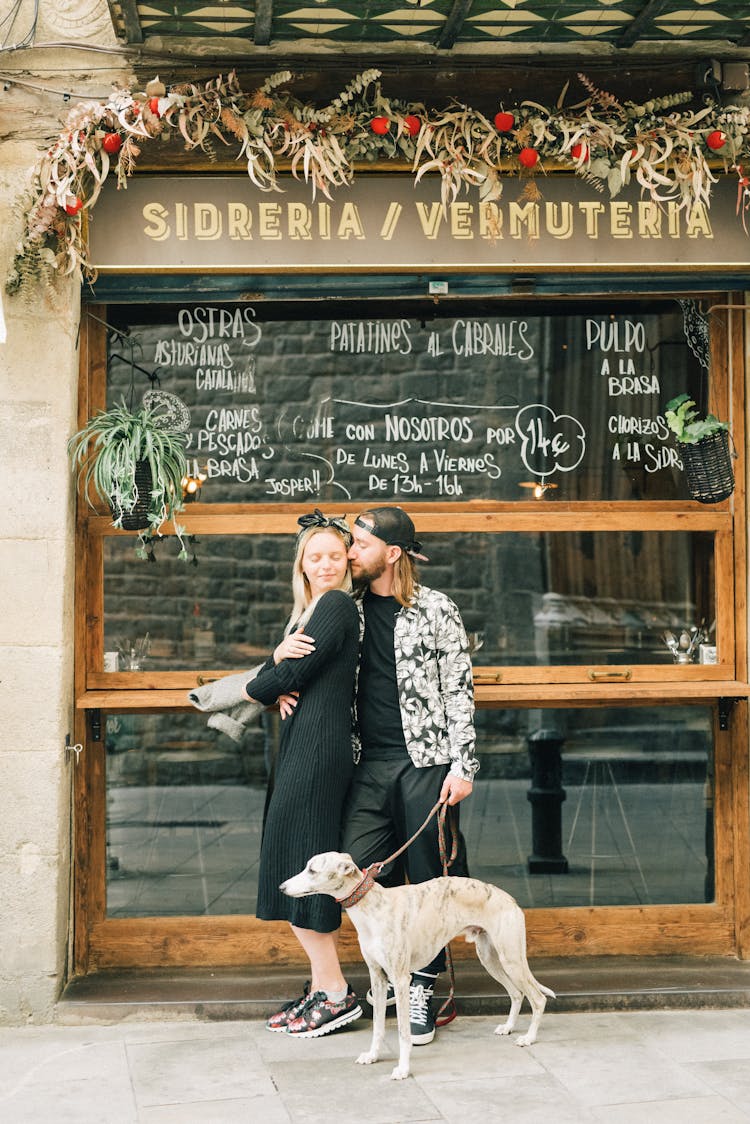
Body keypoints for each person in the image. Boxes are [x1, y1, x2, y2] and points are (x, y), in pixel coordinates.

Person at [342, 505, 479, 1047]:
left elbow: (458, 690)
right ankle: (386, 974)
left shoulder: (437, 609)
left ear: (391, 554)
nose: (351, 553)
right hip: (367, 764)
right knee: (357, 867)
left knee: (429, 879)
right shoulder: (343, 609)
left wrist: (463, 766)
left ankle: (421, 986)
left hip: (426, 762)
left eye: (359, 544)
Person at [243, 510, 362, 1038]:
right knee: (293, 859)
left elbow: (276, 682)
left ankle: (336, 992)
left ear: (347, 562)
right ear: (303, 564)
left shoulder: (335, 607)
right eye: (315, 556)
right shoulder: (309, 612)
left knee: (303, 860)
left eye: (336, 555)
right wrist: (277, 666)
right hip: (303, 745)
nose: (326, 564)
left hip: (318, 749)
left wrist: (271, 673)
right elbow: (283, 677)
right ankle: (321, 986)